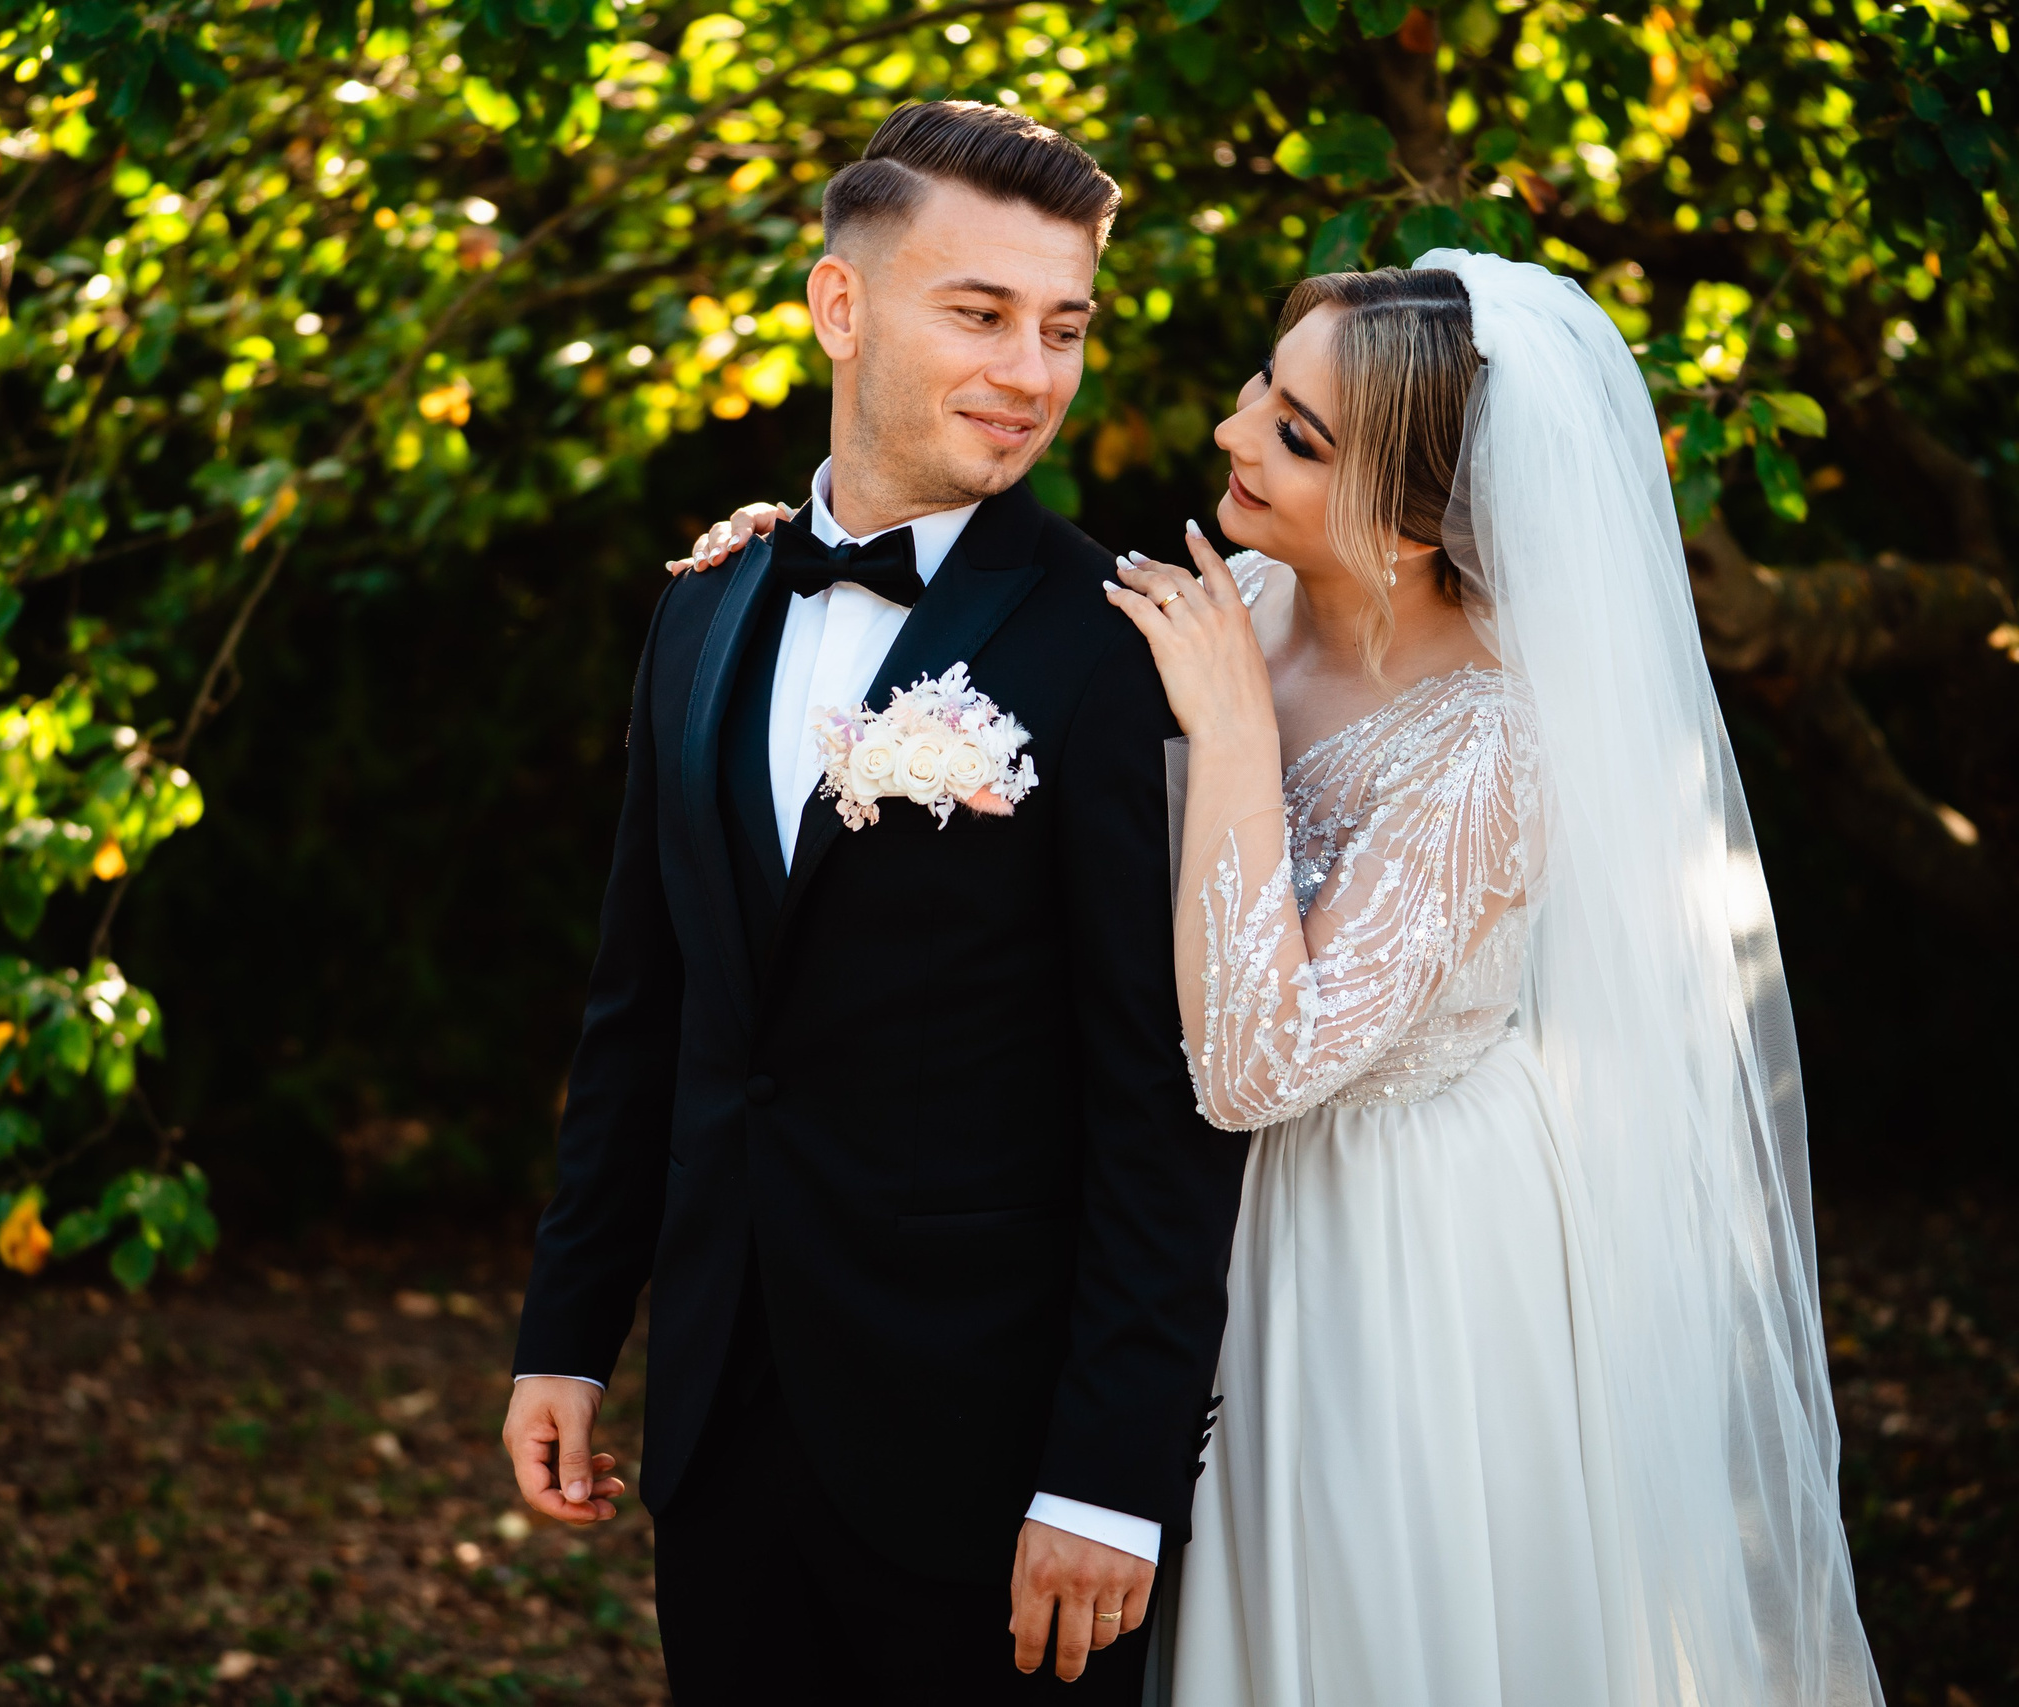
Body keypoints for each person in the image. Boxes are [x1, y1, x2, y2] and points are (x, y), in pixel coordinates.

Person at [677, 252, 1883, 1705]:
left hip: (1392, 1264)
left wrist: (1239, 737)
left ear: (1426, 520)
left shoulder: (1494, 751)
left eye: (1299, 438)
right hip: (1183, 1230)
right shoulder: (1229, 598)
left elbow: (1257, 1062)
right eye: (1264, 388)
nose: (1236, 435)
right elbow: (992, 620)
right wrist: (802, 545)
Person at [499, 101, 1250, 1706]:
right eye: (978, 313)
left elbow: (1167, 1096)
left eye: (1064, 327)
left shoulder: (1119, 647)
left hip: (990, 1461)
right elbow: (649, 1008)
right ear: (841, 308)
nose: (1030, 371)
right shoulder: (702, 611)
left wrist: (1109, 1478)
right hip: (717, 1428)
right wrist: (569, 1333)